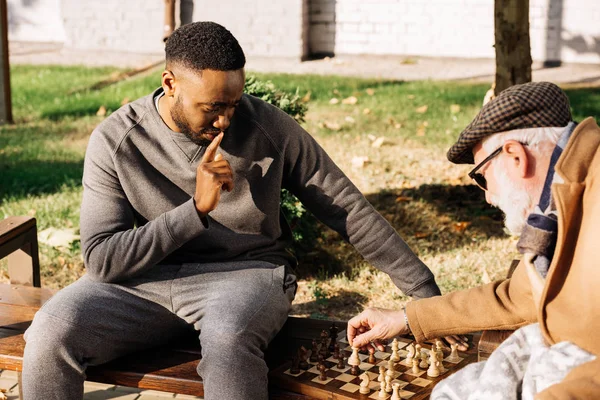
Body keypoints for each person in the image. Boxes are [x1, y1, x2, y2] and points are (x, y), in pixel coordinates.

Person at [21, 22, 442, 400]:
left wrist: (427, 300)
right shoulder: (117, 139)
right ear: (170, 84)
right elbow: (102, 260)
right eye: (212, 107)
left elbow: (347, 209)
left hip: (246, 275)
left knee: (228, 339)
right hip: (143, 284)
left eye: (233, 104)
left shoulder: (270, 129)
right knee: (51, 329)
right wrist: (194, 211)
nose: (225, 121)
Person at [348, 81, 600, 399]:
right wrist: (405, 319)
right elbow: (517, 296)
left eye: (481, 177)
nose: (488, 197)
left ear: (515, 157)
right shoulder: (558, 198)